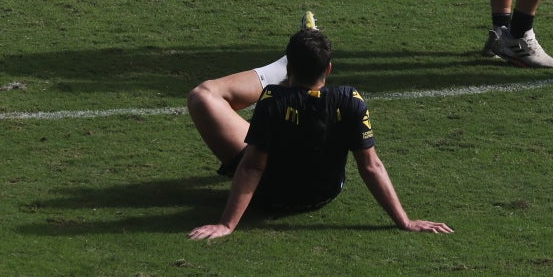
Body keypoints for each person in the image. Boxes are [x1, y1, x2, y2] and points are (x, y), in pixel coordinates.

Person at [187, 21, 451, 238]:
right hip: (325, 194)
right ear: (329, 69)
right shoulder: (351, 101)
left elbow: (252, 167)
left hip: (269, 196)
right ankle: (302, 61)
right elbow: (371, 166)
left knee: (204, 95)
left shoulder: (273, 100)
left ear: (290, 69)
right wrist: (405, 221)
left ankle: (282, 66)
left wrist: (227, 224)